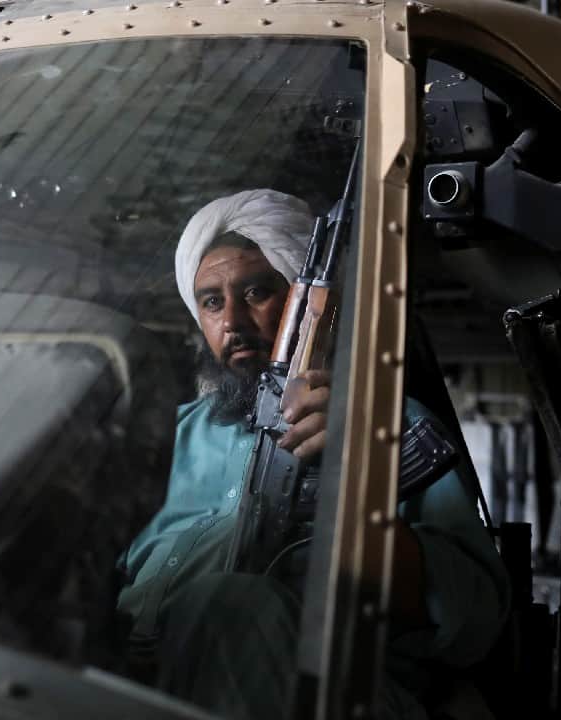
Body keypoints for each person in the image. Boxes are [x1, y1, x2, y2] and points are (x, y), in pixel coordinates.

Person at [117, 189, 509, 719]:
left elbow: (477, 621)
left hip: (341, 695)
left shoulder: (385, 426)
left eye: (256, 292)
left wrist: (359, 482)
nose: (232, 321)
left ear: (305, 308)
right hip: (142, 689)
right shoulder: (170, 434)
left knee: (233, 607)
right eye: (211, 302)